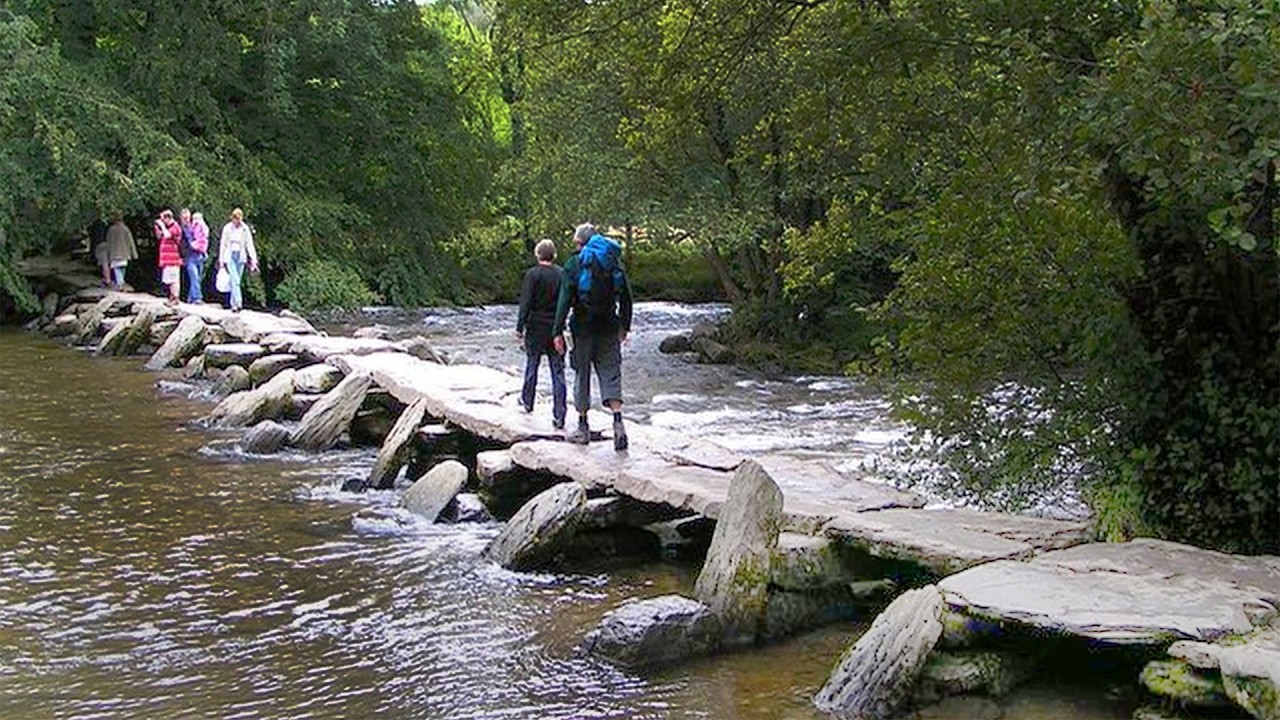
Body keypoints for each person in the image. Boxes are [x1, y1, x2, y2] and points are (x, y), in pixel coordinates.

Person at [552, 223, 634, 450]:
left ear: (581, 242)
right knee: (611, 374)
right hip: (609, 326)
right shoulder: (614, 262)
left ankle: (583, 426)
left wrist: (556, 331)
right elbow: (627, 298)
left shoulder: (574, 263)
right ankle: (618, 425)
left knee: (582, 374)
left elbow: (564, 300)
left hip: (582, 328)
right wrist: (625, 326)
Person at [517, 239, 568, 429]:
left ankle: (527, 401)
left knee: (532, 363)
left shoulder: (532, 275)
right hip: (556, 328)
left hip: (535, 326)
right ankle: (560, 414)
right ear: (553, 255)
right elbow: (567, 301)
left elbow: (526, 302)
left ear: (538, 254)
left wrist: (519, 327)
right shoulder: (562, 274)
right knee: (558, 370)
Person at [218, 207, 258, 312]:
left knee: (236, 281)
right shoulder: (227, 228)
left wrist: (253, 259)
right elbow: (223, 244)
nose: (236, 221)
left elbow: (249, 244)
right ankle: (239, 302)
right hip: (230, 255)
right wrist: (221, 260)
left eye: (238, 219)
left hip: (241, 256)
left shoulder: (245, 229)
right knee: (235, 279)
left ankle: (233, 304)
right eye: (235, 219)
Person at [154, 209, 183, 305]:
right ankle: (171, 297)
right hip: (167, 260)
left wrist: (162, 226)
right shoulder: (168, 228)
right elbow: (160, 237)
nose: (162, 221)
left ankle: (175, 298)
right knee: (169, 280)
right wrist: (158, 229)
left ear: (168, 218)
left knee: (173, 279)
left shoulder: (175, 227)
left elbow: (167, 235)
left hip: (173, 259)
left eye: (163, 219)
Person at [182, 209, 210, 304]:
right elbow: (184, 243)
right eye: (184, 217)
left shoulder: (196, 227)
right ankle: (197, 298)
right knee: (194, 277)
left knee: (197, 277)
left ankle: (191, 299)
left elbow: (203, 239)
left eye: (187, 217)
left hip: (199, 255)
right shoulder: (182, 229)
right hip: (189, 256)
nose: (186, 219)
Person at [104, 215, 138, 290]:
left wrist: (107, 254)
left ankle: (120, 283)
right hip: (124, 254)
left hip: (114, 253)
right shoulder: (126, 229)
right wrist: (134, 254)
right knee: (122, 268)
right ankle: (121, 283)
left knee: (117, 268)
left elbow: (108, 243)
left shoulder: (111, 229)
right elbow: (131, 242)